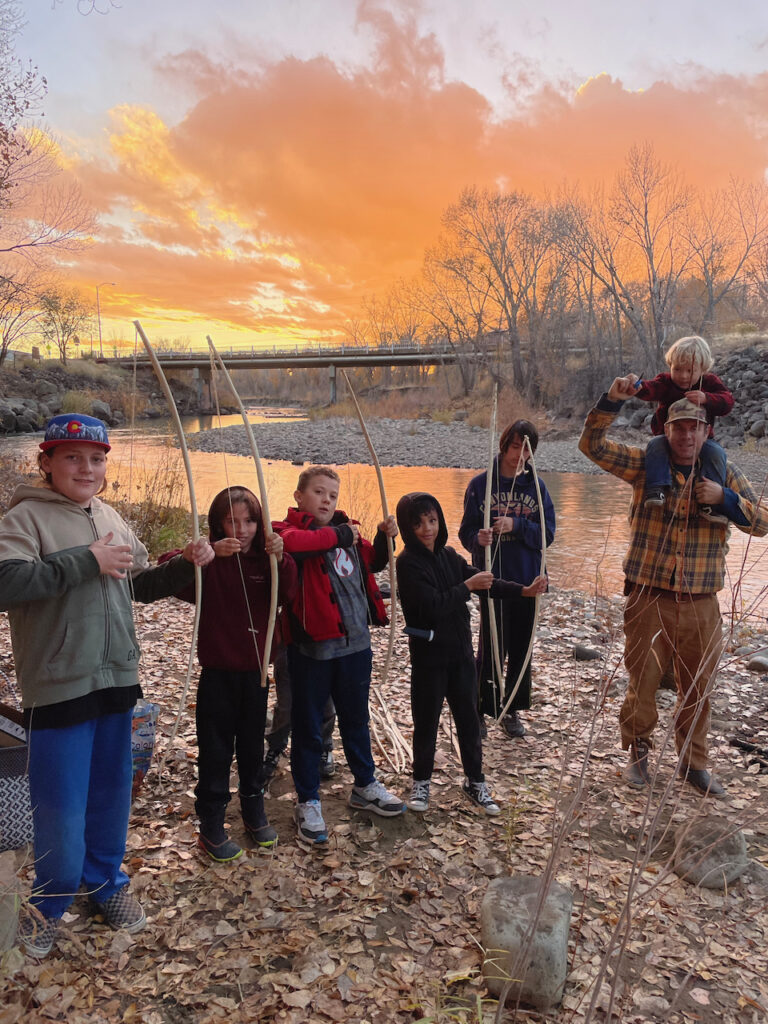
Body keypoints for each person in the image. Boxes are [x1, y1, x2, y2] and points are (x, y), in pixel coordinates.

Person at [0, 414, 214, 958]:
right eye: (72, 457)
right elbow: (7, 582)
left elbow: (138, 585)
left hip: (118, 677)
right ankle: (47, 903)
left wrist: (184, 565)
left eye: (96, 459)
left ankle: (105, 883)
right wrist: (85, 561)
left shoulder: (110, 515)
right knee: (61, 805)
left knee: (112, 794)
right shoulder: (25, 518)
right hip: (58, 684)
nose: (86, 468)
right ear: (45, 461)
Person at [579, 386, 768, 796]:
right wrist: (610, 401)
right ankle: (638, 755)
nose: (686, 436)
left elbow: (763, 521)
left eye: (694, 429)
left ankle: (693, 764)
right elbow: (591, 445)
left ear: (706, 433)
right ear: (666, 430)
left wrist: (727, 498)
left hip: (702, 604)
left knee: (698, 688)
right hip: (648, 599)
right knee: (642, 682)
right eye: (679, 428)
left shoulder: (723, 472)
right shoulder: (646, 467)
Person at [273, 466, 406, 845]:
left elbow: (374, 562)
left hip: (356, 647)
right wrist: (341, 534)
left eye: (332, 494)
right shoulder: (285, 532)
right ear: (299, 496)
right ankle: (308, 800)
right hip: (312, 651)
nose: (327, 500)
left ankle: (365, 785)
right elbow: (296, 546)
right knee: (309, 725)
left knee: (356, 719)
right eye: (318, 492)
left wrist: (383, 538)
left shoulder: (350, 534)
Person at [396, 492, 547, 815]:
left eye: (433, 521)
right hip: (429, 659)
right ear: (407, 528)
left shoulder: (449, 556)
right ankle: (421, 781)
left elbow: (487, 583)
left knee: (468, 720)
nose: (427, 529)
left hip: (462, 656)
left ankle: (475, 780)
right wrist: (468, 587)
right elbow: (431, 606)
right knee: (426, 722)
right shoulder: (406, 563)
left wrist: (523, 591)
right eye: (419, 523)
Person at [170, 486, 297, 862]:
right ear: (216, 524)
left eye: (249, 521)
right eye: (231, 521)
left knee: (250, 747)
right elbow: (170, 575)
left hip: (255, 673)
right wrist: (198, 556)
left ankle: (253, 812)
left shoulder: (267, 560)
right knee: (215, 749)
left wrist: (283, 558)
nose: (241, 530)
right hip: (217, 673)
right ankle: (210, 824)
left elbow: (288, 592)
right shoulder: (208, 558)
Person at [459, 420, 555, 738]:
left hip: (528, 580)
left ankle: (511, 708)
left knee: (520, 647)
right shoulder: (480, 485)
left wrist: (517, 526)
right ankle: (482, 708)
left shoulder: (537, 488)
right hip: (493, 580)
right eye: (515, 446)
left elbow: (548, 534)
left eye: (526, 449)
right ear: (504, 445)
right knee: (491, 646)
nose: (520, 454)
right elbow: (465, 532)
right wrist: (479, 539)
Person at [631, 335, 734, 518]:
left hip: (702, 441)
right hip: (667, 437)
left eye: (690, 370)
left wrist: (707, 398)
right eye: (677, 369)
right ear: (670, 366)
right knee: (655, 446)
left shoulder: (710, 383)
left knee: (716, 453)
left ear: (702, 370)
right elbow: (651, 388)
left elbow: (727, 403)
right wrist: (637, 387)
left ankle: (710, 502)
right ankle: (656, 490)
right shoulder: (666, 382)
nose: (683, 375)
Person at [263, 647, 337, 783]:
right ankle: (275, 747)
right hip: (288, 642)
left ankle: (324, 747)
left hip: (325, 642)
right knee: (286, 706)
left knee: (326, 704)